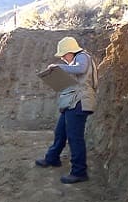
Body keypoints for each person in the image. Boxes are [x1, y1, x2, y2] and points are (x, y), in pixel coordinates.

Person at [35, 36, 98, 184]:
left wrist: (58, 68)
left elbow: (80, 69)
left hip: (79, 102)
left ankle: (79, 172)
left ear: (71, 51)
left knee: (75, 137)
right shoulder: (77, 59)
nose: (63, 58)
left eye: (64, 55)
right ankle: (52, 158)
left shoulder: (82, 56)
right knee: (60, 131)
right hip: (73, 102)